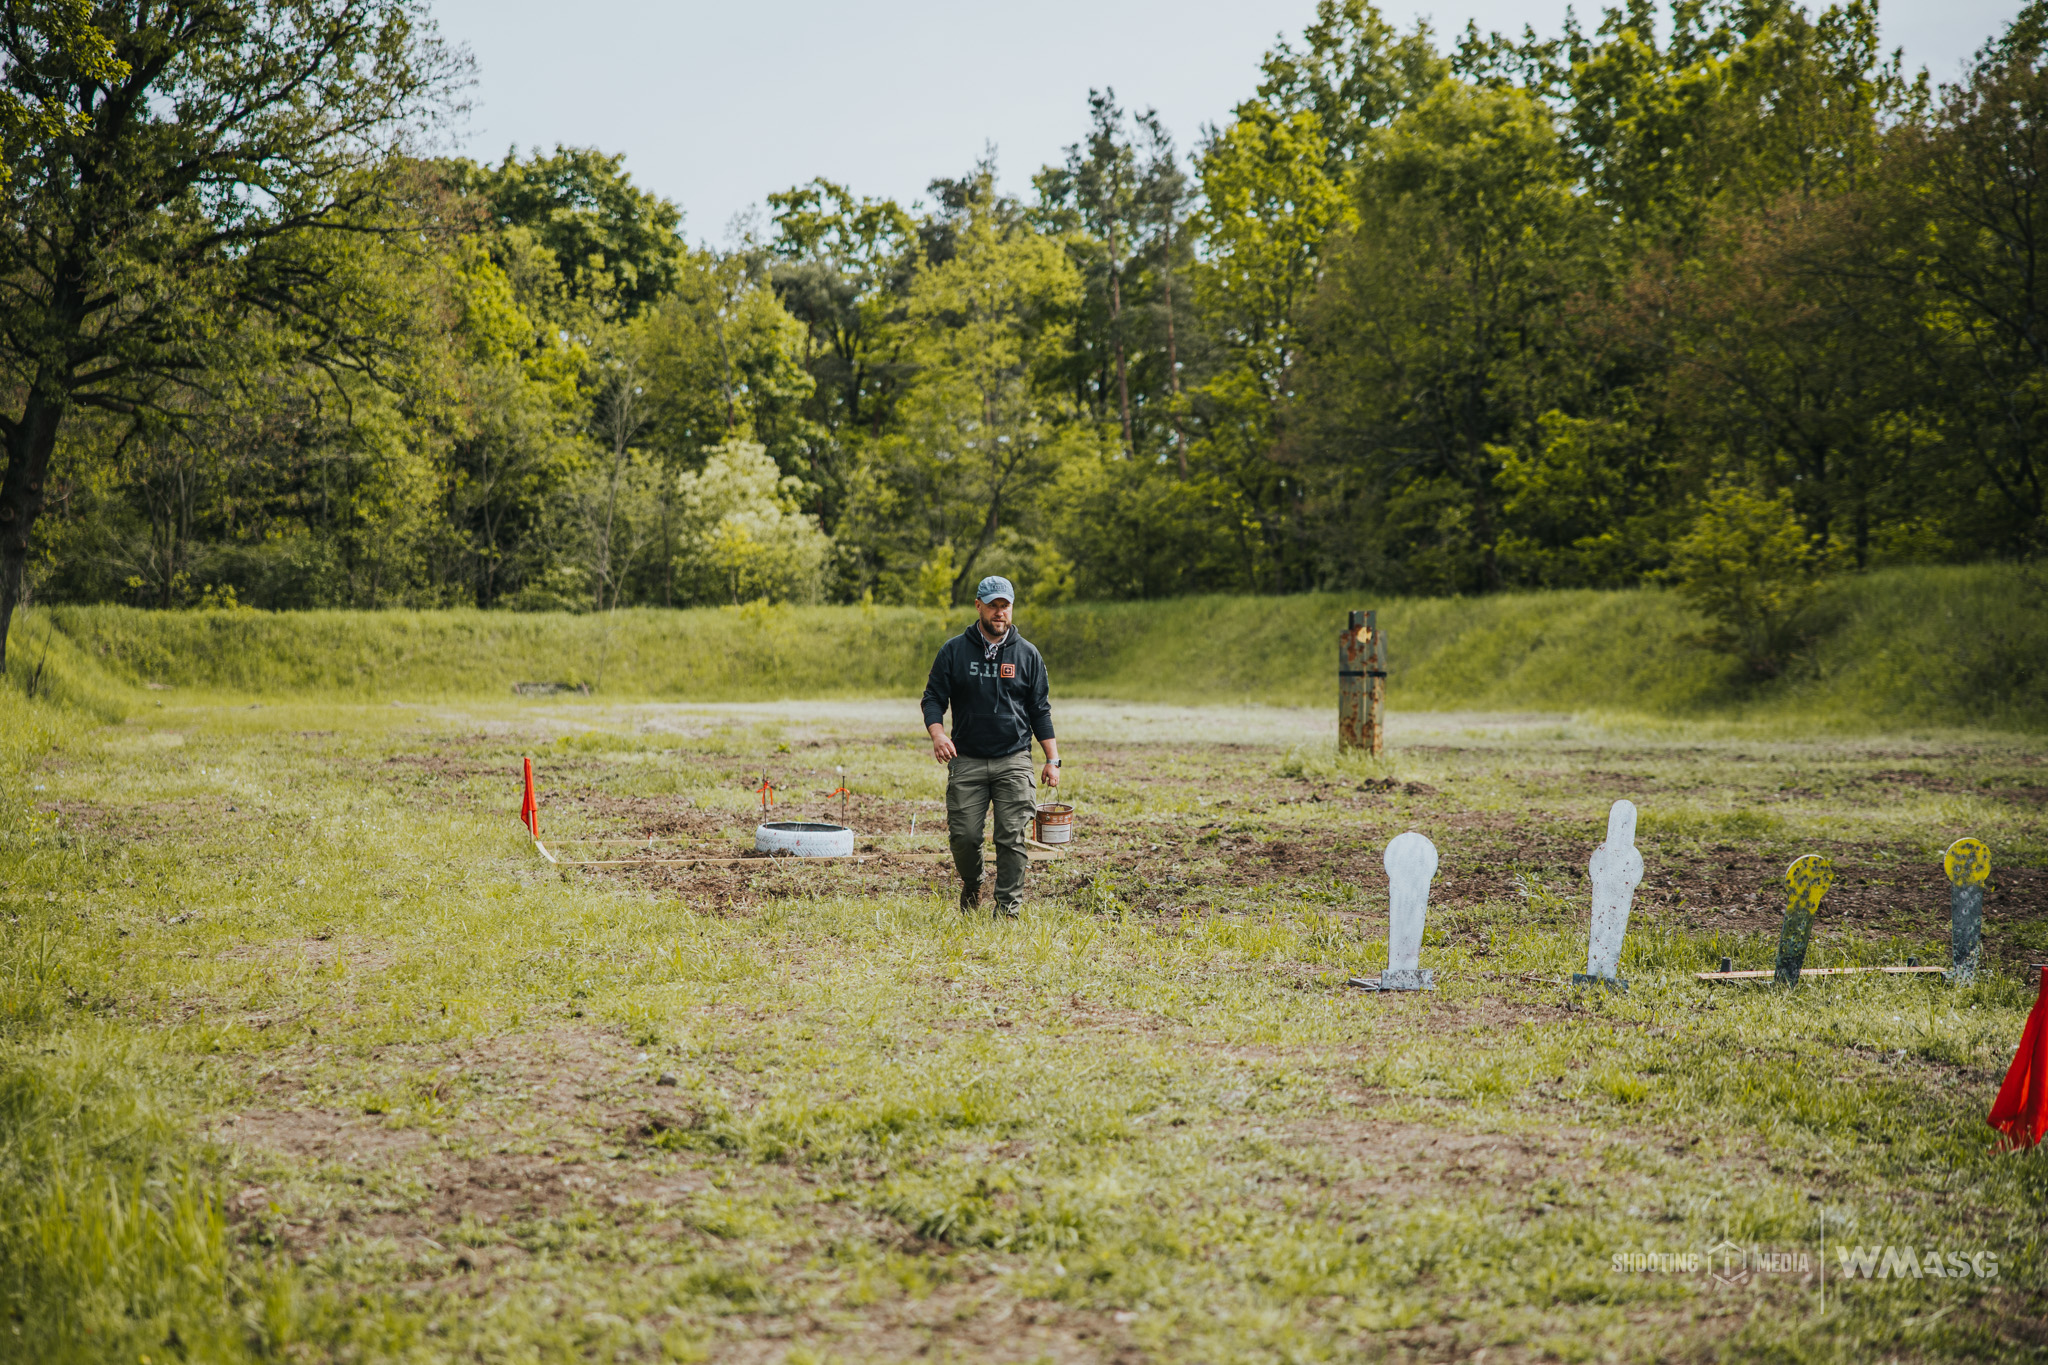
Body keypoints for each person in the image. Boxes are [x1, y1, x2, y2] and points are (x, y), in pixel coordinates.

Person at [920, 575, 1059, 919]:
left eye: (1005, 606)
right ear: (979, 606)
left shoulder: (1028, 655)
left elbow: (1040, 710)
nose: (1000, 613)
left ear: (1012, 608)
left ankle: (1007, 912)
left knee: (1011, 836)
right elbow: (933, 698)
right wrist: (938, 734)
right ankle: (973, 881)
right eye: (993, 605)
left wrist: (1052, 759)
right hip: (966, 759)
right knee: (965, 837)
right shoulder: (954, 650)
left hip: (1014, 758)